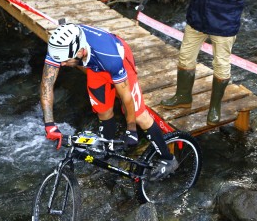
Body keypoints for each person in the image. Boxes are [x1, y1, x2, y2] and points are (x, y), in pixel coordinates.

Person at [41, 23, 177, 181]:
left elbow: (126, 97)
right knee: (103, 110)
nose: (62, 64)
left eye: (65, 61)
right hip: (95, 67)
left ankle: (168, 159)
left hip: (118, 61)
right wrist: (49, 124)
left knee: (139, 116)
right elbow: (46, 85)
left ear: (81, 51)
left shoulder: (110, 56)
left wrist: (131, 129)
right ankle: (108, 156)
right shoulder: (60, 47)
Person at [161, 0, 257, 125]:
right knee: (185, 57)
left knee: (221, 64)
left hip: (224, 20)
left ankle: (215, 107)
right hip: (198, 15)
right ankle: (183, 97)